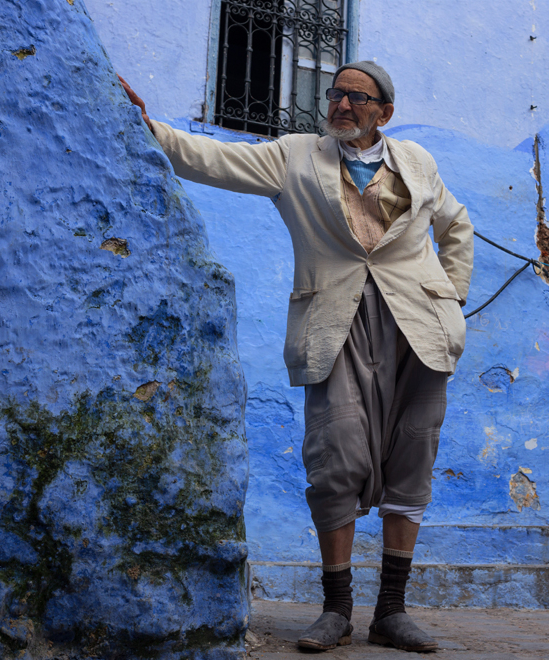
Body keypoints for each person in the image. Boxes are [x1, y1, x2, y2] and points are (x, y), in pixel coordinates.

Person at [120, 61, 473, 653]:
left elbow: (456, 226)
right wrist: (150, 128)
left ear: (384, 112)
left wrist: (452, 298)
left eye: (356, 98)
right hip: (334, 324)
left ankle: (392, 610)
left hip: (419, 327)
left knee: (414, 457)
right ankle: (336, 609)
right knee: (336, 457)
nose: (340, 105)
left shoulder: (417, 162)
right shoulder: (294, 156)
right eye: (335, 94)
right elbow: (209, 159)